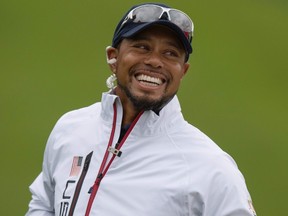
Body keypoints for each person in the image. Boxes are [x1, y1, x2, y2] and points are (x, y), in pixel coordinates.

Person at [26, 3, 257, 216]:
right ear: (113, 58)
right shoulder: (70, 128)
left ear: (182, 71)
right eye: (142, 47)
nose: (155, 61)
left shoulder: (210, 167)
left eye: (170, 53)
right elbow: (44, 203)